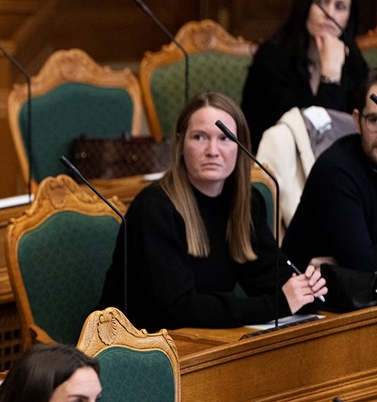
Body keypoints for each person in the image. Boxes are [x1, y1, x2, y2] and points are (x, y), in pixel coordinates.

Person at [98, 92, 326, 331]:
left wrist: (307, 289)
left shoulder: (246, 203)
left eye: (225, 138)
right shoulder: (155, 208)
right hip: (136, 348)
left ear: (241, 147)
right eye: (199, 137)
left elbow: (270, 278)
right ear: (180, 145)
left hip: (198, 342)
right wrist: (275, 305)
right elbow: (178, 307)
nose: (212, 150)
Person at [241, 0, 368, 145]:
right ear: (305, 6)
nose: (330, 14)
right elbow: (314, 139)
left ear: (348, 18)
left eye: (340, 7)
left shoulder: (354, 61)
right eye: (321, 2)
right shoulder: (272, 59)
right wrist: (330, 78)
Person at [284, 73, 377, 273]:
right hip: (317, 299)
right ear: (357, 121)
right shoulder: (336, 172)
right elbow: (365, 267)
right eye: (374, 119)